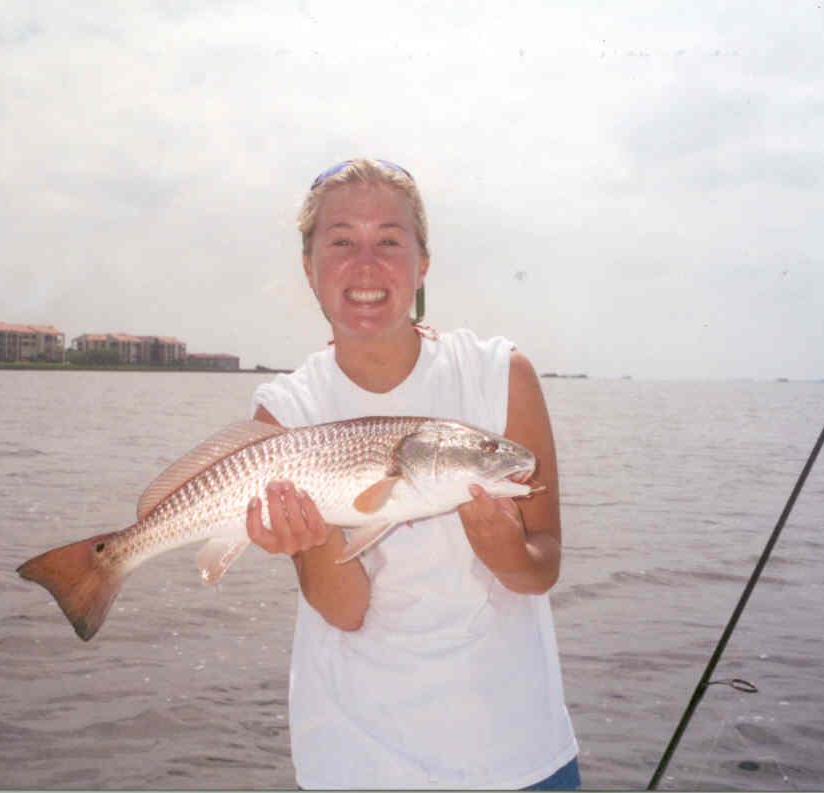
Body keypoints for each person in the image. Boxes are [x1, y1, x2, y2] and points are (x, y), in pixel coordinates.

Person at [245, 159, 580, 789]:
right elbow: (345, 612)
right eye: (341, 241)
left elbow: (543, 566)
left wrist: (508, 552)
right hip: (357, 759)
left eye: (390, 242)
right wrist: (314, 539)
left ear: (423, 262)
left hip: (515, 754)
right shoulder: (286, 413)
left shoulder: (499, 374)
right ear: (308, 266)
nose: (366, 266)